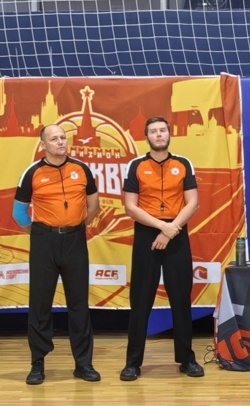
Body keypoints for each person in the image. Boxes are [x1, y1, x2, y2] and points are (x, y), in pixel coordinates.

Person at [12, 123, 101, 385]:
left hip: (75, 240)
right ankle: (37, 364)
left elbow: (94, 206)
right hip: (44, 241)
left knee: (79, 304)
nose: (61, 142)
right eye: (54, 139)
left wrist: (75, 227)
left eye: (63, 137)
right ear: (43, 145)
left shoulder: (81, 169)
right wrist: (41, 234)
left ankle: (83, 364)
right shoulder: (32, 172)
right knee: (40, 304)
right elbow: (18, 213)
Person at [119, 116, 206, 382]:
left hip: (176, 233)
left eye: (162, 130)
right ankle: (133, 363)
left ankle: (187, 359)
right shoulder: (136, 165)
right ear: (146, 137)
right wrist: (161, 227)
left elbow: (192, 203)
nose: (158, 135)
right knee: (140, 299)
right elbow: (130, 206)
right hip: (147, 233)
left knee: (180, 297)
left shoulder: (183, 163)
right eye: (153, 131)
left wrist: (171, 229)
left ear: (169, 134)